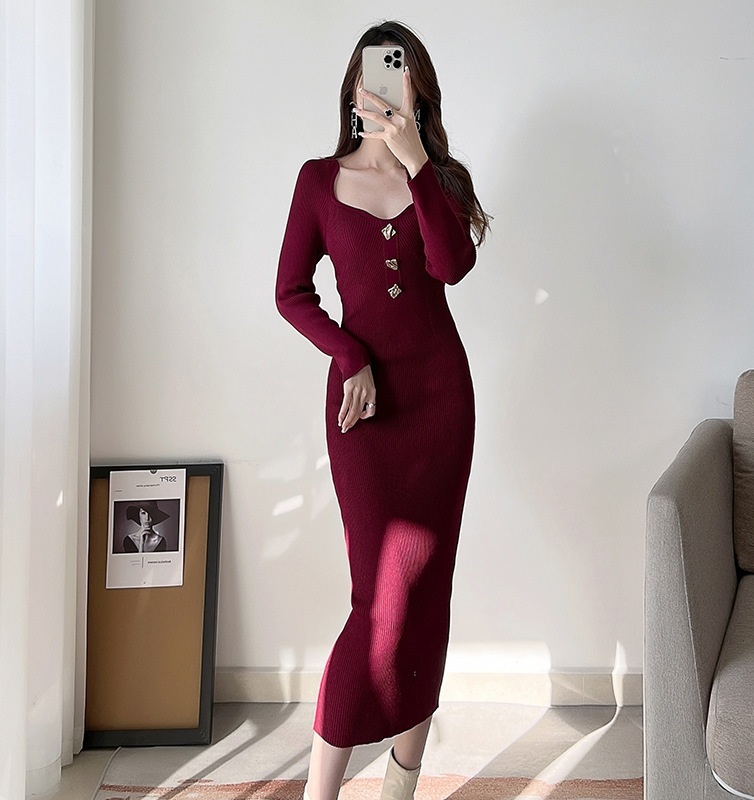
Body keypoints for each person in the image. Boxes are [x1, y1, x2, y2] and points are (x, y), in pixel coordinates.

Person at [275, 20, 490, 800]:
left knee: (427, 599)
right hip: (364, 415)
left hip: (441, 407)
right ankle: (321, 793)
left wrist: (417, 162)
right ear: (353, 91)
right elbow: (290, 293)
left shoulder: (441, 180)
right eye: (375, 80)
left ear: (419, 98)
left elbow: (451, 267)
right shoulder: (316, 181)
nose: (387, 95)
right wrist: (349, 353)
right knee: (377, 603)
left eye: (402, 84)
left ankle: (401, 783)